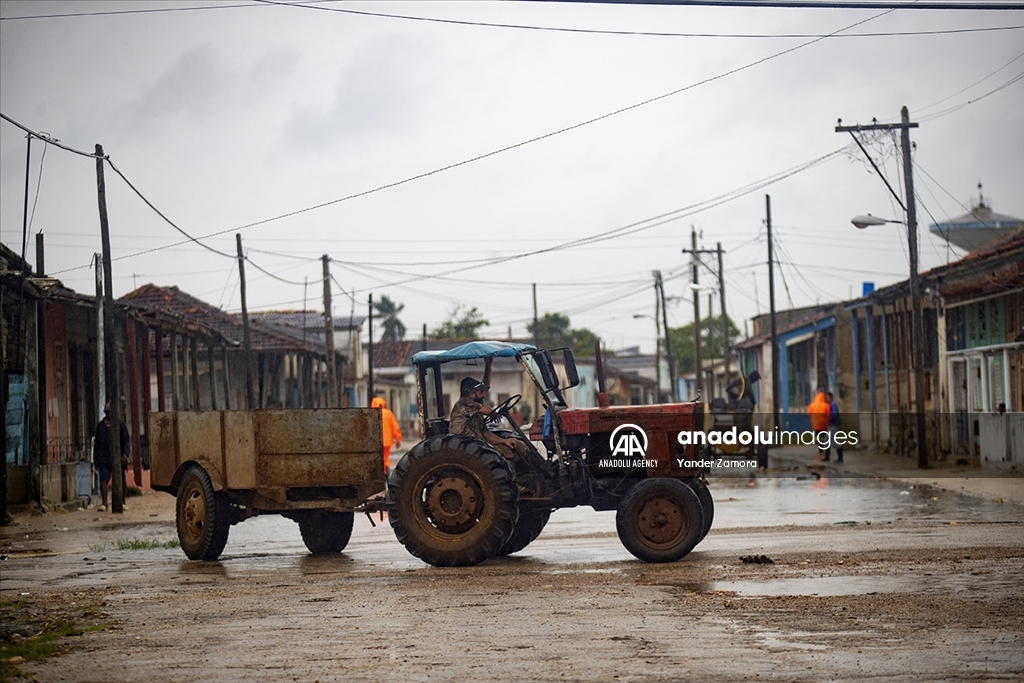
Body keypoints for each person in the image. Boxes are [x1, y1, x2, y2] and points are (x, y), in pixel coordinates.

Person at [450, 377, 525, 460]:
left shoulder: (476, 413)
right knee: (501, 454)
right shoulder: (464, 403)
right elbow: (487, 411)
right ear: (472, 394)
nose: (484, 395)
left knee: (517, 445)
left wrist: (505, 441)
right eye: (481, 392)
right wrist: (495, 414)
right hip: (464, 445)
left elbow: (486, 433)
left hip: (477, 443)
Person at [93, 404, 130, 511]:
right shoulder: (100, 426)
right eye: (107, 412)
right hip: (104, 456)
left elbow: (126, 441)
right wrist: (96, 458)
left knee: (121, 478)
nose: (108, 414)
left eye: (110, 412)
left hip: (119, 456)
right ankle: (104, 503)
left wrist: (125, 454)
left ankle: (122, 502)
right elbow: (97, 443)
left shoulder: (120, 425)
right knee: (104, 478)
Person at [371, 396, 402, 474]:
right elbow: (395, 427)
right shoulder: (388, 413)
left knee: (376, 460)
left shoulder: (372, 415)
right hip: (387, 442)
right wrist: (398, 439)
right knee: (385, 460)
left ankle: (381, 475)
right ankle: (386, 476)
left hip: (375, 442)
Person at [807, 390, 831, 461]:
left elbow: (808, 414)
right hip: (823, 425)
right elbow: (828, 414)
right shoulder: (826, 406)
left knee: (818, 438)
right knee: (824, 437)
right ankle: (823, 449)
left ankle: (820, 449)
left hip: (815, 425)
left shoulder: (812, 405)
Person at [826, 391, 843, 463]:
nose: (827, 399)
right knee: (830, 440)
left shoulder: (833, 405)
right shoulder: (831, 405)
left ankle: (837, 458)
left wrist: (829, 419)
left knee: (829, 441)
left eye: (828, 398)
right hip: (831, 425)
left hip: (833, 425)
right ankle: (838, 458)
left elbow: (835, 414)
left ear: (831, 397)